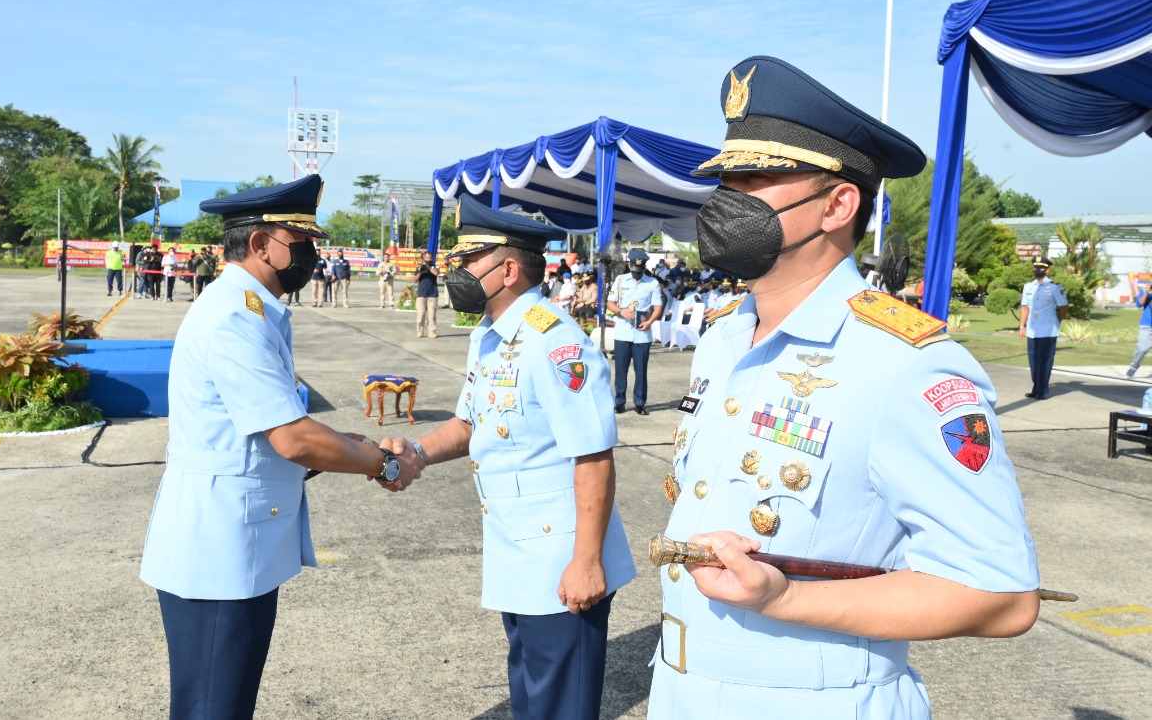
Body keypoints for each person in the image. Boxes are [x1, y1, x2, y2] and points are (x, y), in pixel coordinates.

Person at [649, 56, 1039, 720]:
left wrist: (785, 597)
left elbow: (1001, 595)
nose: (726, 202)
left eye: (757, 179)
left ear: (837, 205)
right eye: (725, 180)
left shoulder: (903, 364)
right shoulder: (722, 336)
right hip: (681, 692)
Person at [139, 175, 423, 719]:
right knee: (213, 707)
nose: (310, 253)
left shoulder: (249, 309)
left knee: (224, 702)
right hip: (219, 549)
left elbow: (264, 430)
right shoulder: (235, 318)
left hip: (233, 540)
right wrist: (383, 462)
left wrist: (343, 445)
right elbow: (292, 437)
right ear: (260, 244)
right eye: (300, 241)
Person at [388, 196, 636, 720]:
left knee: (559, 704)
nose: (456, 271)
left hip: (561, 556)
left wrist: (587, 562)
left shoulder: (555, 342)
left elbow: (593, 455)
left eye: (468, 260)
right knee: (530, 694)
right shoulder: (488, 337)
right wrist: (415, 453)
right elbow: (469, 424)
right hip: (516, 550)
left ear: (507, 271)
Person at [607, 249, 663, 415]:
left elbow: (658, 307)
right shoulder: (620, 280)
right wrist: (621, 311)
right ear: (629, 265)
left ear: (644, 267)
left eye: (640, 270)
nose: (637, 273)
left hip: (642, 334)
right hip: (623, 333)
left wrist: (649, 322)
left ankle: (640, 403)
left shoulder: (652, 283)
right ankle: (620, 402)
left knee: (641, 371)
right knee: (620, 370)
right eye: (635, 269)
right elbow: (610, 303)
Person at [1018, 256, 1069, 399]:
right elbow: (1025, 307)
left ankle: (1043, 390)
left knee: (1045, 361)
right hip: (1032, 330)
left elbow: (1064, 306)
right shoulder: (1028, 287)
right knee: (1033, 362)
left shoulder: (1055, 287)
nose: (1038, 269)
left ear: (1047, 270)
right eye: (1036, 267)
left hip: (1048, 330)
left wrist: (1058, 320)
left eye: (1041, 267)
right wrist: (1022, 326)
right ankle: (1036, 387)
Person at [1128, 280, 1152, 378]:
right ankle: (1134, 366)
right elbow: (1139, 304)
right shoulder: (1145, 290)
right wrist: (1147, 292)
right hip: (1147, 324)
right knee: (1142, 348)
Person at [415, 250, 439, 338]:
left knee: (432, 315)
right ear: (424, 258)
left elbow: (436, 273)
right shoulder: (419, 266)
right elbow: (415, 280)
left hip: (432, 293)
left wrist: (429, 268)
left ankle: (432, 332)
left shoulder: (435, 265)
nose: (428, 259)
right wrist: (420, 272)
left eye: (430, 258)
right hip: (422, 293)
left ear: (432, 258)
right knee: (421, 314)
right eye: (427, 258)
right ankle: (420, 331)